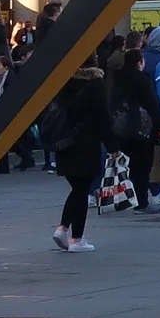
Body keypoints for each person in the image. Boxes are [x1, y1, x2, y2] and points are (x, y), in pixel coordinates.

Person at [43, 64, 111, 253]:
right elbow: (102, 117)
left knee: (77, 189)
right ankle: (76, 238)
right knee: (82, 190)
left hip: (64, 144)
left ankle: (63, 228)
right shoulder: (95, 85)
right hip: (86, 144)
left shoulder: (64, 82)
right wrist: (114, 147)